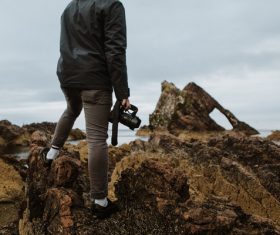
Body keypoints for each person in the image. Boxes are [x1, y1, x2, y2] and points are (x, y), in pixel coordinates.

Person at [44, 0, 130, 219]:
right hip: (95, 79)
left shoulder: (69, 8)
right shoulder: (112, 5)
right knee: (96, 139)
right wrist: (122, 93)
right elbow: (115, 50)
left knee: (72, 110)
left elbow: (67, 43)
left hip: (67, 75)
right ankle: (100, 201)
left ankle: (51, 154)